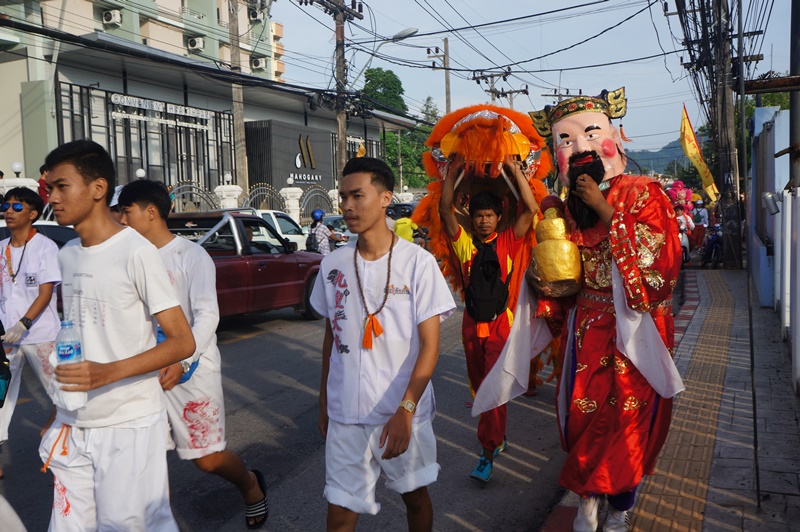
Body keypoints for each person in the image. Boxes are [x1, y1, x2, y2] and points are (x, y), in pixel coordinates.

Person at [530, 88, 683, 531]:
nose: (580, 148)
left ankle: (619, 507)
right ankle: (588, 500)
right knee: (583, 419)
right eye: (565, 141)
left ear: (615, 135)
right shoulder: (565, 209)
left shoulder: (643, 193)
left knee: (627, 424)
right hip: (586, 329)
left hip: (635, 329)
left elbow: (661, 267)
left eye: (591, 134)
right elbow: (563, 276)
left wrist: (603, 207)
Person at [41, 139, 196, 531]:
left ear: (97, 189)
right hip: (74, 422)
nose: (53, 197)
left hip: (128, 423)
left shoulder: (136, 252)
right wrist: (57, 411)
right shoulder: (68, 254)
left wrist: (107, 373)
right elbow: (77, 335)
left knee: (131, 526)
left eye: (62, 186)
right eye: (50, 189)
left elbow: (181, 342)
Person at [311, 157, 455, 531]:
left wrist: (406, 410)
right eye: (343, 197)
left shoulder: (417, 264)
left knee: (415, 497)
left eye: (358, 195)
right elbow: (332, 335)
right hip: (346, 414)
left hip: (400, 411)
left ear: (386, 197)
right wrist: (325, 399)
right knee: (340, 511)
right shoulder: (333, 266)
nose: (347, 206)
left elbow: (429, 347)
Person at [118, 179, 268, 529]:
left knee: (205, 458)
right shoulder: (127, 258)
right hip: (145, 372)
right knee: (145, 459)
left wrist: (181, 357)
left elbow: (207, 316)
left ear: (150, 212)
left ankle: (249, 483)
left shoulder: (191, 256)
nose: (122, 220)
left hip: (190, 369)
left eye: (126, 211)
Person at [438, 154, 540, 484]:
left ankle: (486, 452)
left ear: (499, 217)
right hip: (470, 326)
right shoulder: (465, 245)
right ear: (473, 218)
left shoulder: (510, 241)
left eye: (489, 215)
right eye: (479, 216)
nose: (483, 221)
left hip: (501, 326)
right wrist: (452, 173)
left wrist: (512, 170)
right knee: (482, 387)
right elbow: (444, 211)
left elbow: (531, 209)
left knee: (493, 391)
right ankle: (498, 437)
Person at [0, 187, 61, 479]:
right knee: (1, 395)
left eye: (17, 206)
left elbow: (45, 292)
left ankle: (66, 443)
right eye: (6, 205)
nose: (9, 211)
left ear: (33, 213)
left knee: (60, 392)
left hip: (40, 334)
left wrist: (22, 324)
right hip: (6, 338)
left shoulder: (45, 247)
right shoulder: (1, 249)